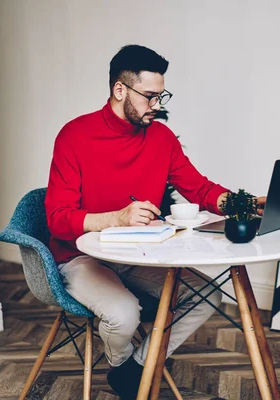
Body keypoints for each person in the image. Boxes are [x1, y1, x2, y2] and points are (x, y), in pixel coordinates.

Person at [44, 44, 264, 398]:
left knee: (208, 295)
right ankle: (123, 363)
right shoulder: (74, 136)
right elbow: (57, 219)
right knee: (124, 313)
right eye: (149, 96)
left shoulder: (160, 138)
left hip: (139, 254)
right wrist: (117, 217)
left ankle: (135, 369)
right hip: (81, 257)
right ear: (120, 90)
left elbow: (200, 188)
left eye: (161, 96)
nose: (157, 106)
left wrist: (247, 203)